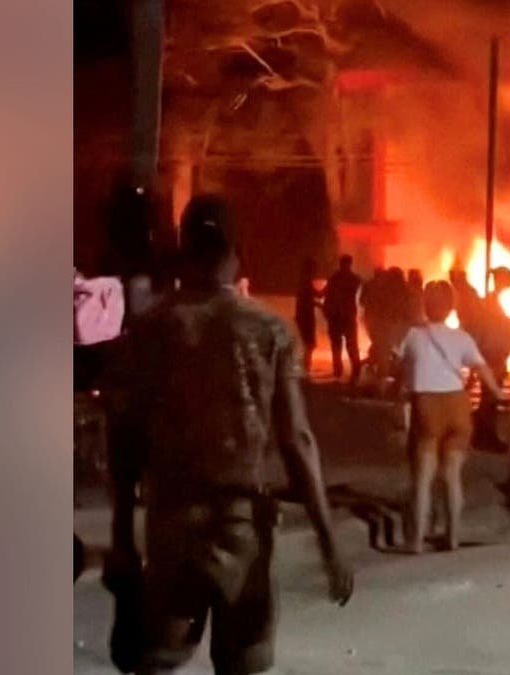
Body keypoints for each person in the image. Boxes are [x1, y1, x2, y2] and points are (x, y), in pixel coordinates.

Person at [103, 195, 353, 675]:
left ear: (184, 248)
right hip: (243, 528)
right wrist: (328, 538)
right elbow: (296, 439)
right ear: (237, 251)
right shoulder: (270, 331)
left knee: (156, 661)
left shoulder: (151, 329)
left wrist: (121, 540)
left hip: (173, 524)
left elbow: (124, 440)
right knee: (243, 662)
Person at [395, 281, 504, 553]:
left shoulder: (413, 336)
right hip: (457, 406)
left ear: (425, 305)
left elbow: (398, 368)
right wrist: (498, 394)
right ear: (451, 307)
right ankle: (452, 538)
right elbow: (483, 369)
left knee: (423, 478)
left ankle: (416, 541)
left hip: (427, 406)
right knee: (452, 476)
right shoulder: (462, 338)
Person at [475, 267, 510, 421]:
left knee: (491, 390)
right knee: (491, 391)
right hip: (493, 350)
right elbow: (496, 325)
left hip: (495, 349)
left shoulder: (494, 300)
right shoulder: (490, 301)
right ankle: (486, 428)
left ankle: (487, 425)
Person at [322, 255, 362, 384]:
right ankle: (355, 370)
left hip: (336, 316)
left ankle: (338, 370)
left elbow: (325, 294)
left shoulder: (334, 278)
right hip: (347, 316)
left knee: (337, 345)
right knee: (351, 345)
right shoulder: (354, 279)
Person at [294, 259, 322, 374]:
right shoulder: (305, 282)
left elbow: (309, 298)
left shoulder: (303, 281)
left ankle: (304, 367)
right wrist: (329, 288)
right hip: (306, 317)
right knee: (309, 343)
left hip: (302, 316)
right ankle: (305, 367)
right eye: (314, 269)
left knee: (306, 343)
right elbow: (314, 297)